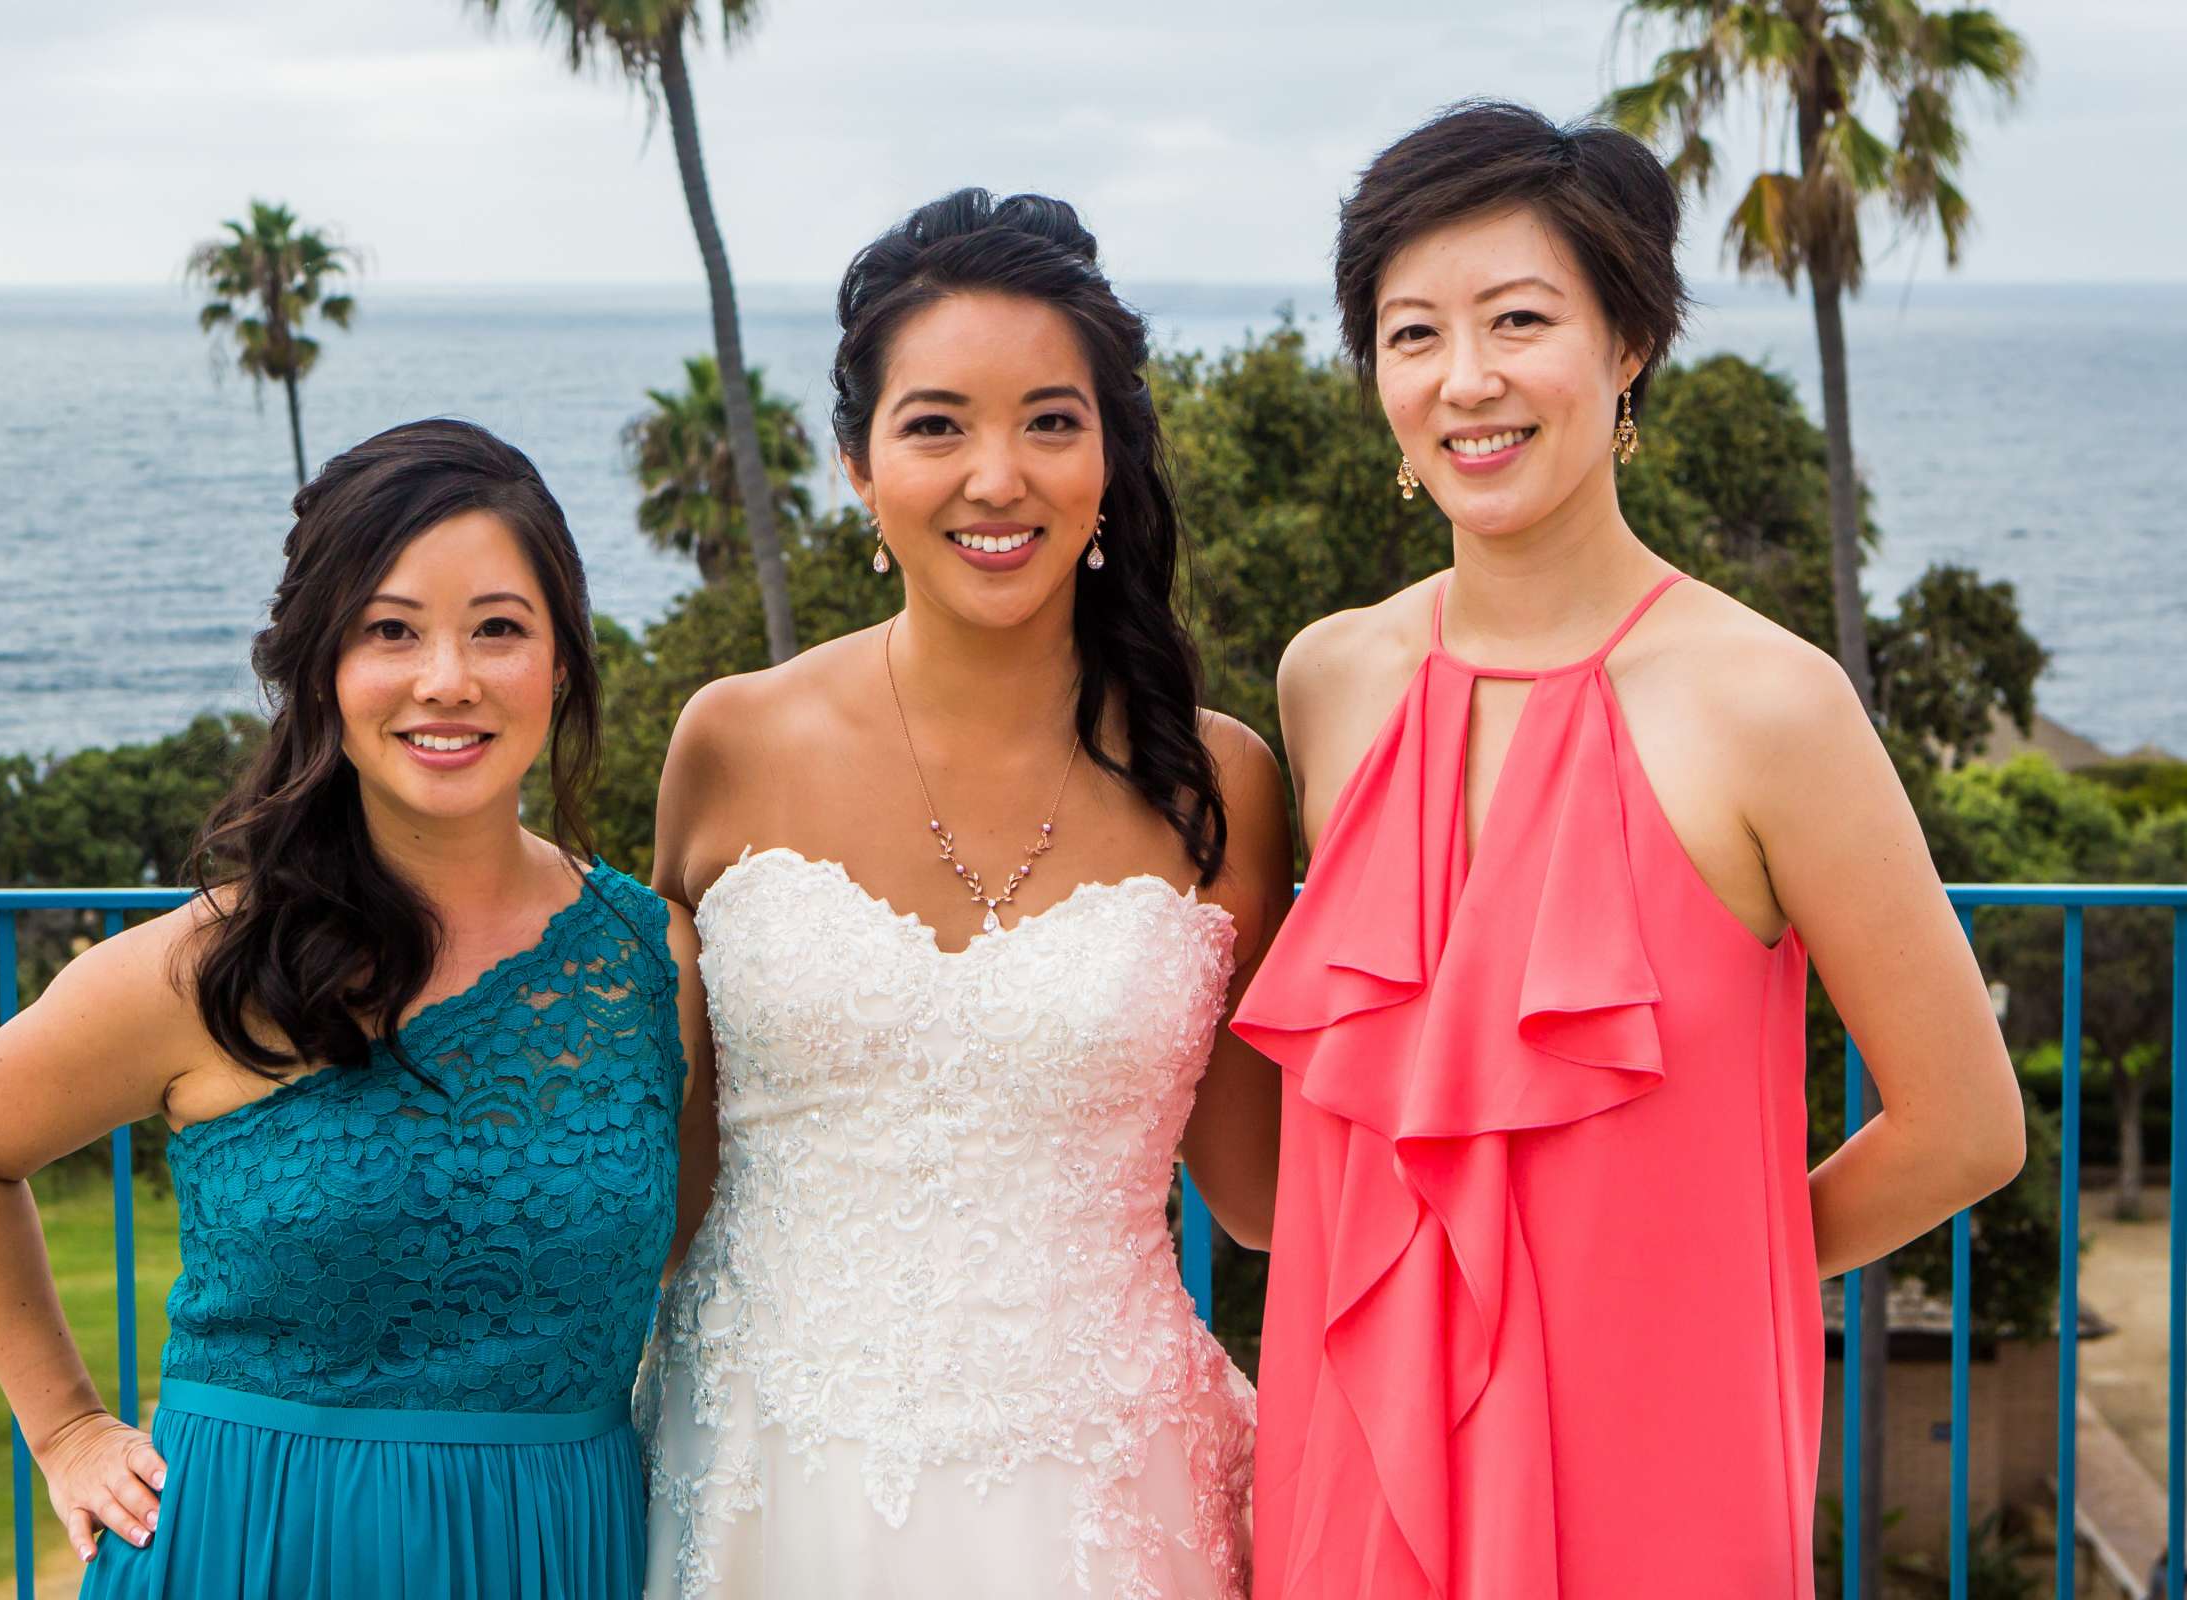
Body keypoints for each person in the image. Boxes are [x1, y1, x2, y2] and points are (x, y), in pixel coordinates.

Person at [1229, 100, 2029, 1600]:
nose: (1466, 380)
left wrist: (1702, 1273)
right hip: (1358, 1435)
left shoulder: (1772, 703)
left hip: (1657, 1452)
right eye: (1412, 334)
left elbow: (1967, 1124)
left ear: (1629, 342)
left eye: (1519, 319)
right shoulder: (1329, 680)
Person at [0, 419, 710, 1599]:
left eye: (499, 628)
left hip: (556, 1550)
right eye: (392, 631)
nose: (449, 678)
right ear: (323, 667)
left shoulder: (653, 965)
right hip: (253, 1549)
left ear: (563, 663)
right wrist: (65, 1425)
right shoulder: (213, 962)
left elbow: (686, 1251)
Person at [634, 189, 1294, 1599]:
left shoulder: (1221, 780)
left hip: (1107, 1498)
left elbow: (1263, 1194)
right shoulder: (730, 744)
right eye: (937, 424)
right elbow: (662, 1173)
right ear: (859, 466)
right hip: (760, 1477)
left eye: (1052, 421)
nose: (999, 474)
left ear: (1109, 460)